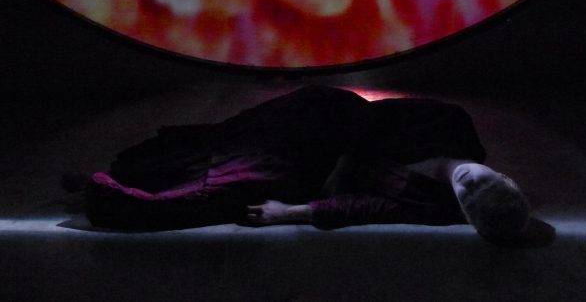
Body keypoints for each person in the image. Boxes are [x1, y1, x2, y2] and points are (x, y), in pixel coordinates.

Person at [84, 85, 530, 241]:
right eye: (487, 182)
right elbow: (373, 118)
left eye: (469, 196)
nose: (471, 181)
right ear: (503, 175)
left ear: (463, 209)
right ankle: (137, 167)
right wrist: (342, 164)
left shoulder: (437, 206)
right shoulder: (453, 123)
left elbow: (365, 209)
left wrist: (292, 213)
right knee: (234, 144)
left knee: (239, 187)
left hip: (319, 168)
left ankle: (117, 190)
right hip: (328, 121)